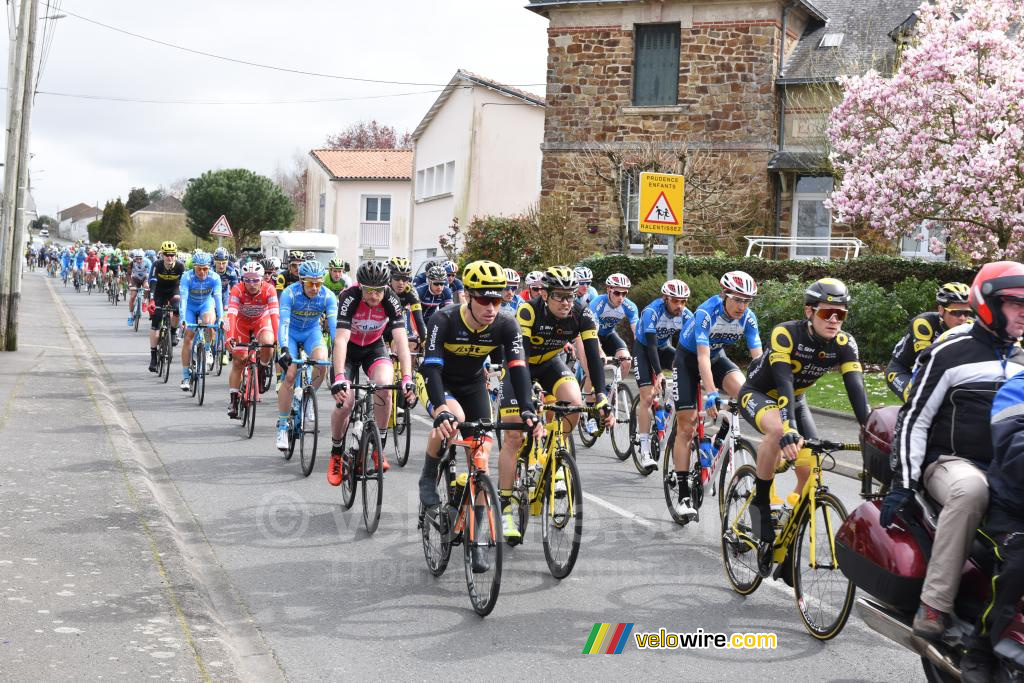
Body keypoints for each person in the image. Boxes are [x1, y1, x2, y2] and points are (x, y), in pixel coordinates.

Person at [880, 261, 1024, 642]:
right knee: (971, 491)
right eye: (1015, 304)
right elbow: (915, 417)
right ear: (989, 304)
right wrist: (904, 482)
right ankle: (935, 604)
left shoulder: (1023, 359)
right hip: (950, 463)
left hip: (1008, 467)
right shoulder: (949, 351)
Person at [416, 260, 544, 568]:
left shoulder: (505, 323)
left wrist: (527, 408)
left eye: (497, 299)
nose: (491, 306)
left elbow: (518, 367)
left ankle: (475, 538)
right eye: (484, 299)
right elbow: (431, 367)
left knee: (482, 458)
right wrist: (441, 408)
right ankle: (429, 472)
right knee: (453, 418)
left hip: (473, 384)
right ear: (467, 297)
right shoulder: (443, 319)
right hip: (438, 380)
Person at [740, 279, 869, 571]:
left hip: (796, 400)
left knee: (809, 469)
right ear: (809, 312)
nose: (834, 320)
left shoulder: (844, 343)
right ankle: (761, 505)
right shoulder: (786, 333)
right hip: (760, 393)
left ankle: (789, 530)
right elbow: (784, 382)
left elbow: (856, 388)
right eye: (827, 313)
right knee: (777, 430)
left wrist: (868, 428)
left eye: (841, 314)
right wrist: (790, 428)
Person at [497, 266, 612, 540]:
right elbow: (520, 358)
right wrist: (527, 399)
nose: (566, 302)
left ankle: (553, 459)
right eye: (559, 296)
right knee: (514, 434)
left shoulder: (582, 313)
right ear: (545, 295)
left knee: (572, 403)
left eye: (570, 296)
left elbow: (593, 358)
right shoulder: (528, 311)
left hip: (549, 364)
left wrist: (602, 396)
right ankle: (505, 509)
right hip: (518, 367)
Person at [671, 271, 763, 518]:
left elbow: (759, 359)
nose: (742, 306)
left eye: (747, 301)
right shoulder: (705, 312)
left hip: (717, 357)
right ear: (724, 295)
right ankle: (683, 494)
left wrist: (765, 390)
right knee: (687, 427)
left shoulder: (748, 318)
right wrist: (711, 393)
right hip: (688, 361)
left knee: (746, 394)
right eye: (737, 299)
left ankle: (719, 438)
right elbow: (701, 357)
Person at [327, 261, 417, 484]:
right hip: (348, 349)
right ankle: (336, 452)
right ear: (361, 287)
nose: (375, 296)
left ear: (385, 287)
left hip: (373, 348)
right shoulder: (349, 296)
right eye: (369, 290)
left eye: (379, 290)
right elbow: (340, 339)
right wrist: (339, 377)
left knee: (385, 388)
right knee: (345, 402)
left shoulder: (391, 300)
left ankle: (379, 447)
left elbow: (401, 342)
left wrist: (407, 378)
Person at [960, 370, 1024, 682]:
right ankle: (980, 647)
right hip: (1012, 510)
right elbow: (1015, 450)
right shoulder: (1018, 389)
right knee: (1020, 562)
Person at [275, 260, 338, 450]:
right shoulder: (289, 293)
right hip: (291, 334)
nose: (315, 288)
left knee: (322, 363)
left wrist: (338, 348)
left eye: (318, 283)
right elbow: (284, 323)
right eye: (310, 283)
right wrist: (285, 348)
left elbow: (334, 327)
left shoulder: (328, 295)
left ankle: (309, 397)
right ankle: (283, 426)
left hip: (312, 332)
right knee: (291, 375)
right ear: (301, 281)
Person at [633, 280, 693, 472]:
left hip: (664, 348)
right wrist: (658, 373)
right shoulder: (652, 312)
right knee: (647, 397)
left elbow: (689, 347)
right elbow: (650, 346)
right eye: (676, 301)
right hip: (644, 349)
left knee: (686, 366)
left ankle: (668, 407)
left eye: (683, 302)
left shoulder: (686, 315)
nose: (680, 306)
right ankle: (644, 451)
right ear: (665, 298)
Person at [886, 282, 972, 400]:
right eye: (956, 312)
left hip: (937, 370)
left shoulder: (970, 325)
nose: (962, 318)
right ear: (941, 310)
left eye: (966, 312)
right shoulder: (923, 323)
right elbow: (925, 363)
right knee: (917, 398)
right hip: (901, 370)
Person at [224, 262, 279, 418]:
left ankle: (260, 372)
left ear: (262, 279)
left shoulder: (269, 289)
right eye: (248, 280)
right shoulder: (237, 290)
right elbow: (231, 315)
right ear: (243, 280)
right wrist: (230, 338)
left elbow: (275, 316)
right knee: (239, 360)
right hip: (241, 323)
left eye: (255, 280)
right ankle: (234, 401)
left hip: (261, 321)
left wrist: (278, 339)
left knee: (268, 342)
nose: (252, 284)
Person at [584, 273, 639, 394]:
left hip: (609, 335)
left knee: (626, 361)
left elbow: (637, 332)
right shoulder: (597, 304)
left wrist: (641, 352)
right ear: (608, 289)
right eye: (617, 293)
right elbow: (593, 333)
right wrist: (601, 352)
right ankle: (588, 402)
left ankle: (613, 390)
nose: (621, 297)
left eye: (624, 293)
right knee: (594, 366)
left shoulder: (629, 307)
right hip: (592, 335)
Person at [177, 252, 223, 390]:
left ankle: (208, 349)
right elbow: (183, 300)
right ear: (194, 267)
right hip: (190, 307)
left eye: (205, 269)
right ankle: (186, 377)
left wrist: (221, 317)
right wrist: (183, 318)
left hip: (205, 305)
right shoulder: (187, 277)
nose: (202, 272)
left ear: (209, 267)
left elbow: (218, 299)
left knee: (209, 322)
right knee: (188, 337)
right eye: (199, 269)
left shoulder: (215, 277)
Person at [147, 242, 186, 372]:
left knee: (177, 309)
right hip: (158, 292)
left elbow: (184, 285)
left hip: (173, 291)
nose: (169, 257)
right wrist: (151, 300)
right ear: (162, 255)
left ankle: (173, 333)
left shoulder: (180, 266)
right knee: (156, 321)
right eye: (166, 255)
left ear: (175, 255)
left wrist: (185, 301)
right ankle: (153, 356)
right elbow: (152, 282)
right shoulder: (157, 265)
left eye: (172, 255)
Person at [385, 256, 426, 348]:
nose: (401, 282)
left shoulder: (411, 291)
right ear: (390, 277)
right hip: (381, 324)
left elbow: (419, 319)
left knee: (414, 345)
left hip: (398, 324)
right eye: (397, 277)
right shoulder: (384, 289)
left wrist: (425, 339)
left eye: (404, 278)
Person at [127, 249, 152, 327]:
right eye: (136, 258)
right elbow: (128, 274)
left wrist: (150, 283)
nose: (138, 260)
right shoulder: (132, 263)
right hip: (135, 279)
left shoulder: (147, 262)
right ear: (134, 258)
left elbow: (151, 274)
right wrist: (130, 283)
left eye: (140, 258)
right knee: (133, 296)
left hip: (145, 278)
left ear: (143, 258)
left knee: (147, 287)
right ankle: (131, 315)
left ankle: (144, 302)